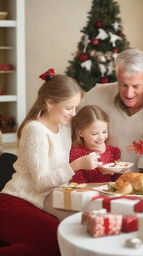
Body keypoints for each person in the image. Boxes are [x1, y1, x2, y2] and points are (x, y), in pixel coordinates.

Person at [0, 69, 91, 256]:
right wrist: (75, 166)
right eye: (68, 108)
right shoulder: (35, 130)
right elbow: (41, 182)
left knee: (79, 227)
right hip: (16, 201)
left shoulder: (63, 127)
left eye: (75, 107)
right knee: (54, 237)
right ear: (49, 103)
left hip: (43, 202)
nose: (73, 114)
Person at [80, 48, 143, 170]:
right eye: (123, 84)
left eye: (136, 86)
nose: (129, 93)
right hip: (103, 182)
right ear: (117, 76)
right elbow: (72, 128)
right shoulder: (95, 95)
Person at [69, 105, 122, 183]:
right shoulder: (77, 153)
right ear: (80, 132)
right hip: (89, 193)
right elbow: (79, 184)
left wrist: (121, 172)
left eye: (104, 132)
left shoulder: (114, 151)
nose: (101, 137)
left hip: (110, 193)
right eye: (94, 134)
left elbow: (117, 180)